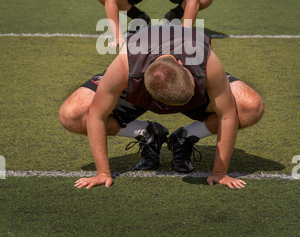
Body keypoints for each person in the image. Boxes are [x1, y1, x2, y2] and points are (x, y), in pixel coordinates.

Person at [58, 25, 264, 190]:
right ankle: (147, 134)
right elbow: (96, 115)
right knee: (72, 115)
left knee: (250, 107)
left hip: (194, 80)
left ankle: (185, 136)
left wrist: (220, 172)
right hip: (140, 78)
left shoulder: (206, 60)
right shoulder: (125, 65)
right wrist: (103, 172)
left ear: (185, 67)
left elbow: (227, 114)